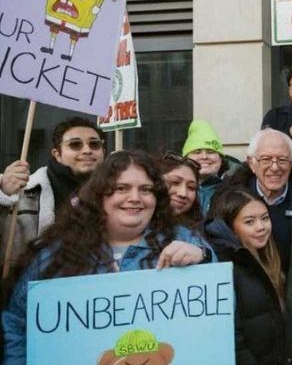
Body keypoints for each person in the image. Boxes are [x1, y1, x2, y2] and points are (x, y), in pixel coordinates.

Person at [3, 151, 213, 362]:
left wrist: (204, 259)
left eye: (146, 190)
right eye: (121, 188)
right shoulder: (56, 252)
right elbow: (17, 324)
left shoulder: (184, 239)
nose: (135, 198)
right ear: (99, 195)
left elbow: (216, 310)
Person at [220, 128, 292, 363]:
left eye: (282, 159)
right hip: (252, 319)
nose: (275, 167)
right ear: (251, 163)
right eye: (266, 159)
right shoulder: (229, 199)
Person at [0, 117, 106, 269]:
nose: (87, 150)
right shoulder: (22, 192)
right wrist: (3, 196)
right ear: (57, 154)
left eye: (94, 144)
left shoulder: (118, 194)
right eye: (75, 144)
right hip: (32, 287)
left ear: (103, 151)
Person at [205, 188, 289, 364]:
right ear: (231, 227)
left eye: (265, 218)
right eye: (249, 222)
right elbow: (233, 335)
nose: (261, 227)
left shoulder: (270, 257)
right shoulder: (225, 266)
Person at [183, 119, 241, 215]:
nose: (204, 157)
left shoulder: (236, 189)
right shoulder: (172, 190)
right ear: (185, 158)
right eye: (197, 152)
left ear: (221, 159)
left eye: (210, 152)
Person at [158, 152, 202, 228]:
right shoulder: (134, 225)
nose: (183, 194)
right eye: (175, 182)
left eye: (191, 187)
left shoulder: (198, 234)